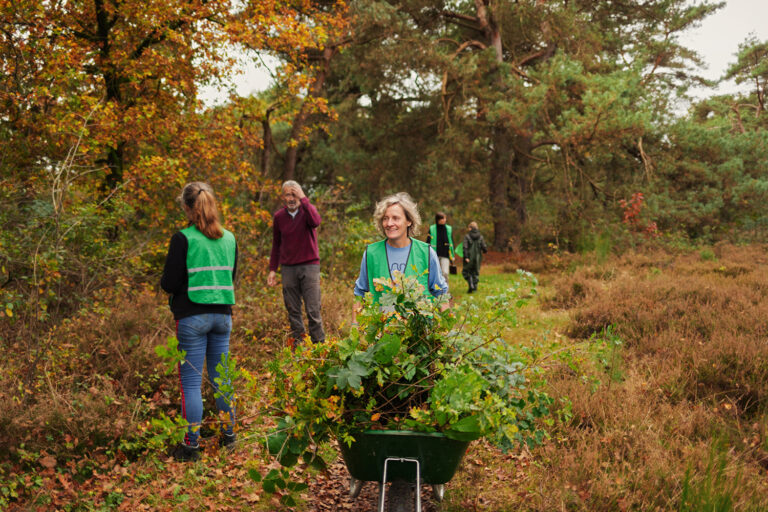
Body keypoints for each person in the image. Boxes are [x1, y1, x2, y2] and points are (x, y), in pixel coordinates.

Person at [161, 182, 238, 462]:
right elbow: (231, 276)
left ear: (187, 208)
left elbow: (169, 283)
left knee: (191, 384)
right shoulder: (229, 238)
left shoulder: (183, 238)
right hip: (223, 316)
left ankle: (190, 446)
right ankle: (229, 436)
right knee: (222, 379)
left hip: (192, 317)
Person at [354, 193, 449, 305]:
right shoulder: (371, 253)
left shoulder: (426, 253)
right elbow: (360, 293)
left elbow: (441, 293)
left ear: (409, 221)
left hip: (417, 322)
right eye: (385, 218)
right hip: (380, 321)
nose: (389, 223)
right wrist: (355, 323)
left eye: (396, 218)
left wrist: (445, 321)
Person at [267, 180, 325, 344]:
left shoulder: (307, 211)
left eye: (294, 194)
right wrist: (273, 269)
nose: (291, 198)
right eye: (288, 194)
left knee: (313, 309)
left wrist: (304, 199)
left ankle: (319, 345)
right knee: (292, 309)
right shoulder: (279, 217)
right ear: (283, 197)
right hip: (288, 268)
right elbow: (276, 244)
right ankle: (300, 345)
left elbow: (316, 222)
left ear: (300, 194)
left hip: (310, 266)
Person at [426, 212, 455, 282]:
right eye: (442, 218)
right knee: (435, 273)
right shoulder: (432, 228)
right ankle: (436, 290)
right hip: (434, 254)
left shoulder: (449, 228)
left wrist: (452, 255)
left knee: (445, 272)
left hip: (445, 254)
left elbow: (451, 242)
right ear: (438, 220)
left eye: (445, 218)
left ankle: (445, 291)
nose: (444, 220)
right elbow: (428, 241)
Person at [461, 221, 488, 293]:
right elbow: (484, 247)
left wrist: (466, 256)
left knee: (466, 271)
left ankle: (471, 284)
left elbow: (465, 247)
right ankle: (475, 287)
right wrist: (485, 250)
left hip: (469, 257)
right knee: (475, 272)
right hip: (478, 257)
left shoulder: (467, 236)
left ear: (470, 228)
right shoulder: (480, 236)